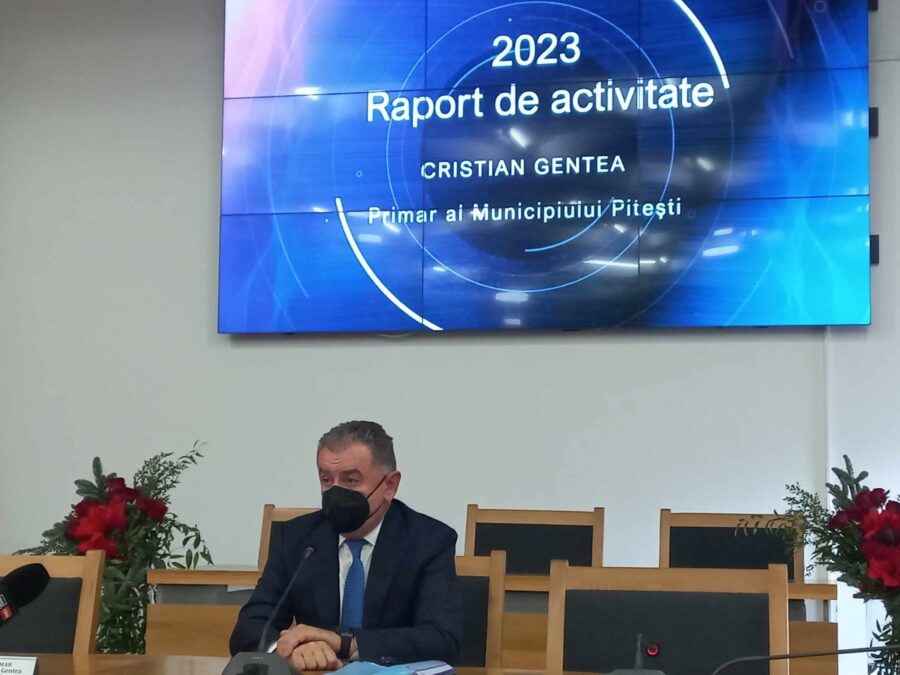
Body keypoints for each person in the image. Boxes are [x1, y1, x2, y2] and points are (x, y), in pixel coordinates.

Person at [229, 421, 462, 671]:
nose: (335, 494)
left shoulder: (429, 541)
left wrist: (346, 643)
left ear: (390, 485)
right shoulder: (296, 539)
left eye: (351, 480)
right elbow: (250, 628)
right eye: (326, 480)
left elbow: (442, 639)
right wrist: (284, 651)